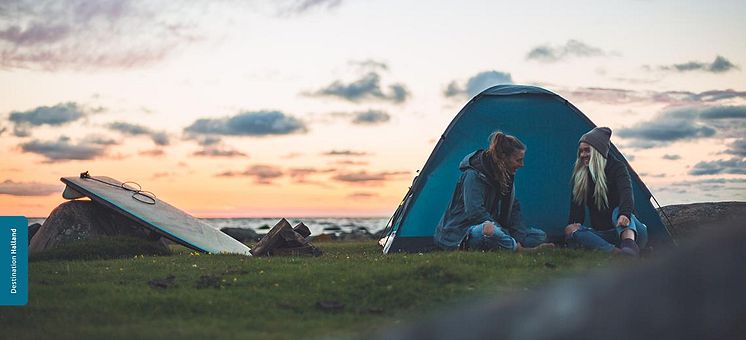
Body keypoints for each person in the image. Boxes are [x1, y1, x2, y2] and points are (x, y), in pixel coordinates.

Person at [434, 131, 552, 251]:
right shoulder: (473, 175)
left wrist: (520, 234)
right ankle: (520, 249)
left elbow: (513, 210)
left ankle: (509, 243)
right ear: (504, 158)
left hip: (493, 227)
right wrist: (503, 233)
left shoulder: (505, 177)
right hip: (461, 233)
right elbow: (476, 213)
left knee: (538, 236)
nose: (522, 165)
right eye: (518, 160)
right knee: (489, 231)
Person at [564, 127, 648, 256]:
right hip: (605, 234)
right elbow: (576, 214)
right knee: (573, 231)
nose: (582, 155)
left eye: (587, 150)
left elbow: (627, 195)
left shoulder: (617, 168)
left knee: (617, 211)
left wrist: (624, 214)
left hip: (632, 230)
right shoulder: (580, 177)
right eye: (580, 151)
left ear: (599, 151)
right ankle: (618, 253)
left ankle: (629, 246)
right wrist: (573, 229)